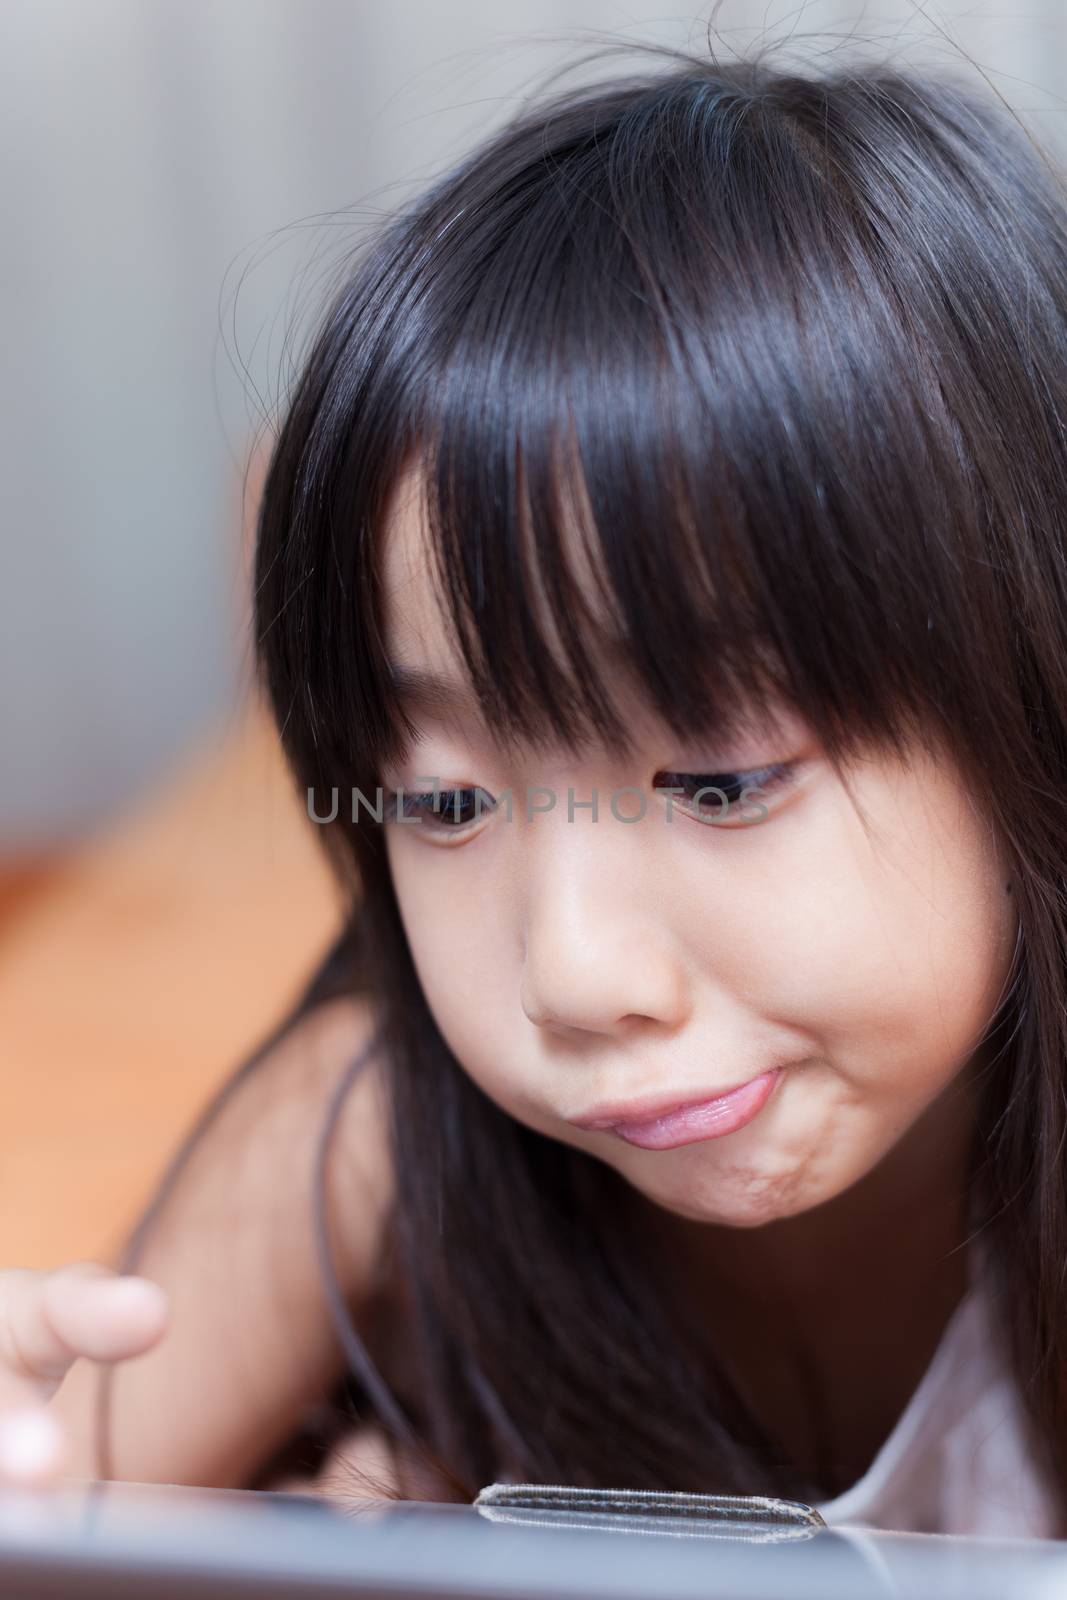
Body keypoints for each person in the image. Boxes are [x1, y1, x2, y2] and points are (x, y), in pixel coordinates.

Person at [3, 38, 1067, 1538]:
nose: (573, 970)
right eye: (440, 805)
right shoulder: (375, 1133)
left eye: (719, 777)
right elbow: (69, 1493)